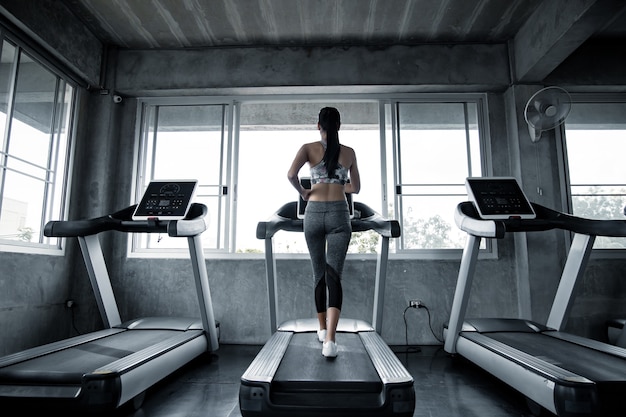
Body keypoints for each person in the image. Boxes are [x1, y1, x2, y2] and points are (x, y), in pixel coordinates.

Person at [287, 107, 360, 358]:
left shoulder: (308, 147)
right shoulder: (349, 152)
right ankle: (330, 340)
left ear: (319, 125)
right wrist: (338, 184)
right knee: (333, 276)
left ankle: (320, 328)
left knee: (318, 273)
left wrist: (305, 192)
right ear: (339, 125)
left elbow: (291, 175)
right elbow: (357, 188)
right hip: (340, 213)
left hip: (314, 213)